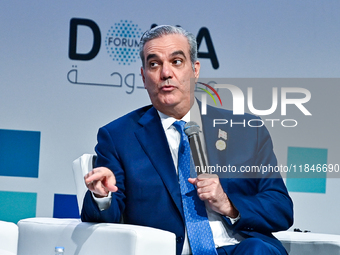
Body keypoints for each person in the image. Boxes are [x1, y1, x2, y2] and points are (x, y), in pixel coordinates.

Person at [81, 25, 293, 255]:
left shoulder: (245, 130)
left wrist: (228, 204)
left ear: (195, 69)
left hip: (241, 248)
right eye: (154, 64)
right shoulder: (118, 136)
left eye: (177, 61)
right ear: (143, 77)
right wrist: (102, 195)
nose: (166, 73)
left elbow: (280, 208)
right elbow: (105, 218)